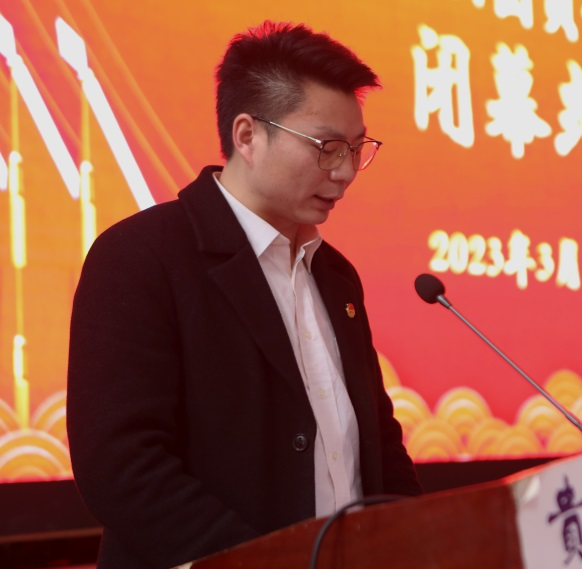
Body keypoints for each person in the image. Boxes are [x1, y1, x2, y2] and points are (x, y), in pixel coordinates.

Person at [66, 22, 421, 568]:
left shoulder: (335, 275)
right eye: (327, 148)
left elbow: (377, 443)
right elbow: (122, 466)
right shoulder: (141, 256)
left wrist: (418, 543)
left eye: (356, 148)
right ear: (248, 136)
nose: (347, 171)